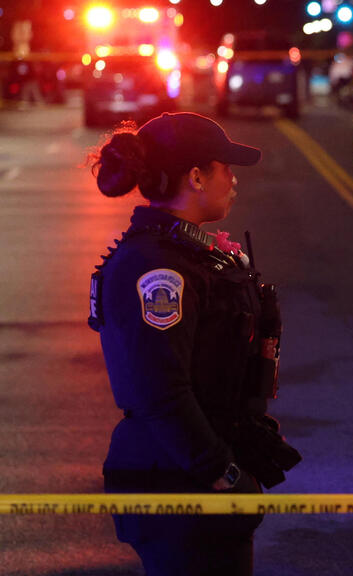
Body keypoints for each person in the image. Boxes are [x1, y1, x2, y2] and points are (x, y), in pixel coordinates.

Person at [87, 112, 300, 576]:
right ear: (197, 177)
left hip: (192, 480)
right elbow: (161, 393)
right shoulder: (157, 269)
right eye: (226, 166)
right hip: (179, 487)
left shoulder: (188, 254)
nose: (234, 178)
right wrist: (221, 474)